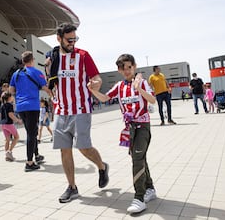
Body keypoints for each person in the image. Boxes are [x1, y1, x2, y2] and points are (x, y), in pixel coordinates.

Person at [45, 23, 109, 203]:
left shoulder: (83, 55)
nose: (72, 42)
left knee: (83, 147)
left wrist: (96, 83)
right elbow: (51, 81)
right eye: (69, 39)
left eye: (75, 39)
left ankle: (102, 166)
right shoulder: (52, 57)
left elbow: (96, 77)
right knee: (65, 150)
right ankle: (72, 187)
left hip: (81, 109)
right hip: (60, 110)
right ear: (59, 38)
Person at [88, 54, 157, 214]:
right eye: (122, 68)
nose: (126, 70)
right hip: (129, 128)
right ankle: (150, 188)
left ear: (134, 66)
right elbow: (105, 98)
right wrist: (92, 90)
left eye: (129, 67)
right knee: (137, 157)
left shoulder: (142, 82)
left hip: (143, 126)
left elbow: (152, 100)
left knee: (137, 159)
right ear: (119, 70)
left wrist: (139, 88)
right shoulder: (119, 86)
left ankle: (139, 197)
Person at [9, 51, 51, 172]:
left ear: (23, 61)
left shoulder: (16, 74)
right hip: (32, 106)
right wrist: (53, 95)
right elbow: (45, 88)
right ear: (32, 60)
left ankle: (37, 155)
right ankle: (29, 162)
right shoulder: (36, 72)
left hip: (20, 107)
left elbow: (11, 90)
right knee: (32, 134)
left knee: (30, 132)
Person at [0, 92, 22, 161]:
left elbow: (0, 115)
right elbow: (11, 115)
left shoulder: (2, 106)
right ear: (9, 98)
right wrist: (18, 120)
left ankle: (7, 155)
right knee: (17, 137)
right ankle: (9, 151)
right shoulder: (9, 105)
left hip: (2, 124)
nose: (13, 97)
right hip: (9, 124)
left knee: (7, 139)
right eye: (12, 96)